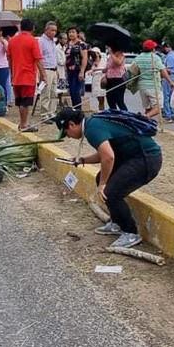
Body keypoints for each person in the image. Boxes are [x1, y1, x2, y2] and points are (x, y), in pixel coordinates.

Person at [54, 106, 161, 250]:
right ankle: (117, 223)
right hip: (133, 158)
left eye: (66, 132)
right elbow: (106, 153)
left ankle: (131, 233)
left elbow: (108, 157)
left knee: (110, 192)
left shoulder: (92, 129)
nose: (68, 136)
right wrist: (82, 160)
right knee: (100, 179)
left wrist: (104, 184)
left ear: (72, 124)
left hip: (146, 159)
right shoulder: (92, 124)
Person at [6, 18, 46, 132]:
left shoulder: (12, 41)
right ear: (32, 28)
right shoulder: (33, 41)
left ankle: (22, 122)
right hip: (28, 76)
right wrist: (44, 75)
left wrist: (12, 73)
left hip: (16, 76)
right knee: (26, 102)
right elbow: (38, 60)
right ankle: (24, 124)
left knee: (20, 102)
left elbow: (9, 59)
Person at [130, 40, 169, 119]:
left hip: (142, 86)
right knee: (158, 108)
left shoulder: (138, 58)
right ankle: (145, 117)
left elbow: (133, 71)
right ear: (153, 49)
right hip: (153, 86)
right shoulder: (155, 58)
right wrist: (170, 81)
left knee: (148, 108)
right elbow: (162, 70)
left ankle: (145, 125)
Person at [35, 21, 61, 119]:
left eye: (55, 31)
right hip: (46, 69)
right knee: (46, 92)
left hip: (54, 69)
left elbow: (53, 57)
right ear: (46, 30)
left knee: (53, 92)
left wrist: (57, 69)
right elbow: (39, 58)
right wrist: (42, 73)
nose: (54, 32)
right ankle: (44, 114)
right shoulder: (41, 41)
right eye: (52, 30)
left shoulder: (53, 42)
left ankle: (52, 112)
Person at [63, 27, 88, 109]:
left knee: (76, 91)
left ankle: (78, 110)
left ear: (77, 34)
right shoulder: (67, 44)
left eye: (73, 32)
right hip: (69, 71)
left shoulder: (81, 44)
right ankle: (74, 109)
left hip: (77, 70)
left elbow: (84, 58)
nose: (71, 34)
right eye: (69, 32)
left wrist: (82, 71)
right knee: (71, 92)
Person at [160, 42, 174, 123]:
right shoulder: (173, 55)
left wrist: (161, 69)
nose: (164, 49)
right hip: (173, 76)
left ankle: (169, 115)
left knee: (166, 97)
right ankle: (171, 115)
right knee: (171, 97)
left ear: (169, 47)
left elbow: (168, 69)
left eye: (165, 47)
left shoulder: (170, 56)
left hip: (169, 76)